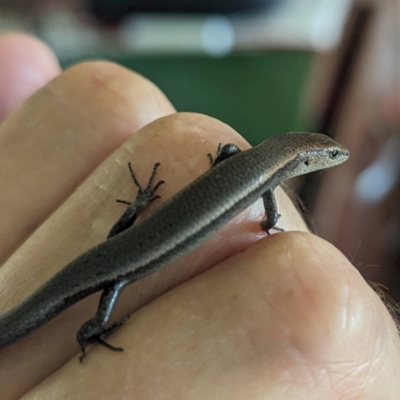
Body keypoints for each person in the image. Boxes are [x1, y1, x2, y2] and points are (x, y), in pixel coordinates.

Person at [0, 33, 398, 399]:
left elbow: (227, 151)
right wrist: (268, 227)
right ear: (303, 158)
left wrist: (144, 202)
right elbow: (265, 217)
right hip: (119, 266)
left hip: (120, 247)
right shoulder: (267, 185)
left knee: (116, 262)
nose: (335, 158)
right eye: (328, 156)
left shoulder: (260, 163)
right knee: (111, 290)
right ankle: (90, 332)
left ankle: (136, 212)